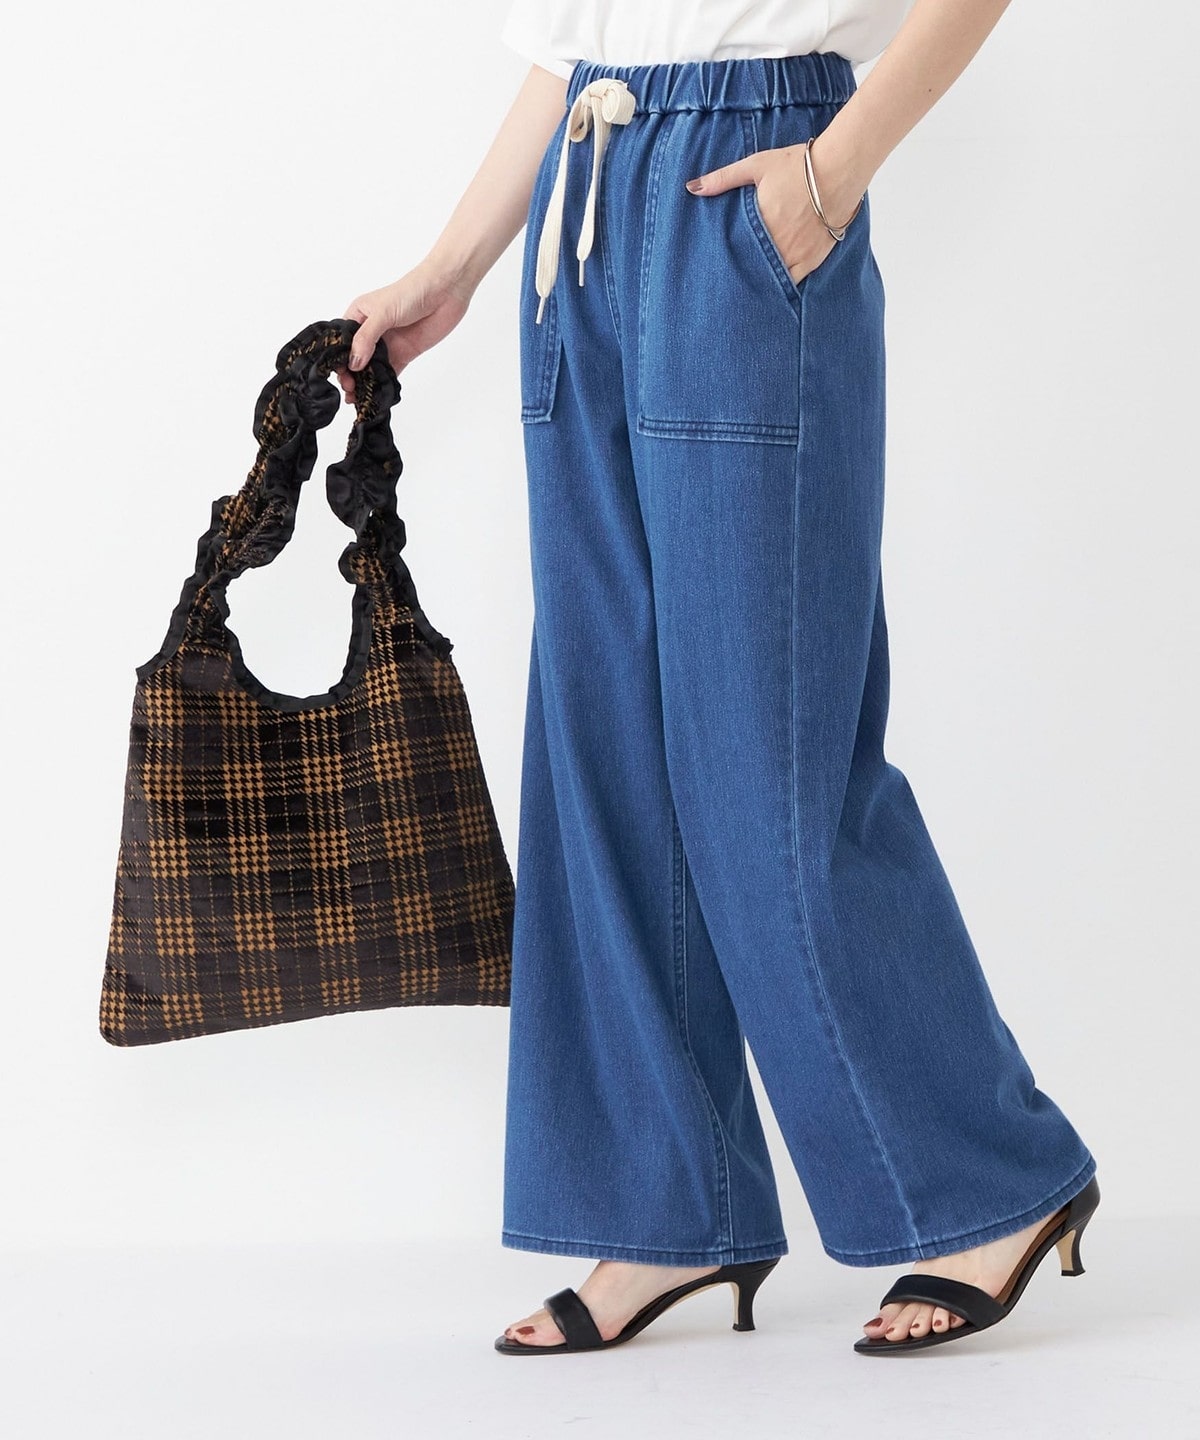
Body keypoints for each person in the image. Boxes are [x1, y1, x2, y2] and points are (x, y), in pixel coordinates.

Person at [336, 0, 1100, 1356]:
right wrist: (449, 267)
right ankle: (665, 1208)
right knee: (606, 739)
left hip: (749, 182)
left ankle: (987, 1182)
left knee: (764, 745)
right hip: (586, 200)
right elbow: (580, 42)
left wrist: (832, 171)